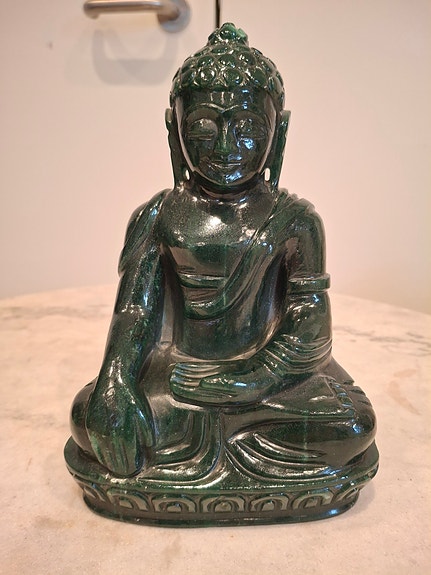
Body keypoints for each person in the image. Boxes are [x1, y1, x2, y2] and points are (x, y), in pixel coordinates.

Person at [66, 24, 377, 521]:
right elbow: (135, 313)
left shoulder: (296, 220)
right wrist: (117, 380)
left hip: (270, 383)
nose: (226, 146)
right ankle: (234, 453)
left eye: (248, 127)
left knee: (352, 425)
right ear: (174, 129)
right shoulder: (159, 215)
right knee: (89, 414)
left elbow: (310, 327)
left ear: (280, 132)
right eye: (204, 128)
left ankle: (208, 453)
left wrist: (251, 380)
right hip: (179, 379)